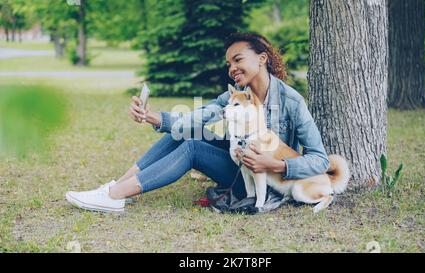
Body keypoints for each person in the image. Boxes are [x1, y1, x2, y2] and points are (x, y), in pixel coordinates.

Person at [65, 32, 330, 213]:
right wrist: (152, 117)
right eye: (229, 64)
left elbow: (320, 160)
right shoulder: (233, 95)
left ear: (262, 59)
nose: (232, 68)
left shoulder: (292, 101)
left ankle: (115, 196)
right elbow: (198, 117)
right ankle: (113, 187)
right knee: (185, 133)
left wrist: (275, 163)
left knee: (192, 149)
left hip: (263, 178)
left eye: (238, 60)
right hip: (238, 159)